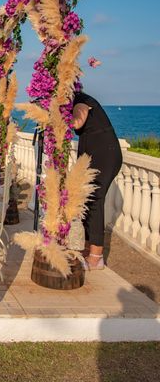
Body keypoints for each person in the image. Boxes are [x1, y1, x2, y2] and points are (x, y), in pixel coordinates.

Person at [72, 91, 123, 270]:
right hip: (96, 154)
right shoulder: (78, 100)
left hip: (105, 155)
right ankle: (88, 249)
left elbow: (78, 121)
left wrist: (57, 117)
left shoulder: (81, 99)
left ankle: (96, 257)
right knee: (86, 201)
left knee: (94, 201)